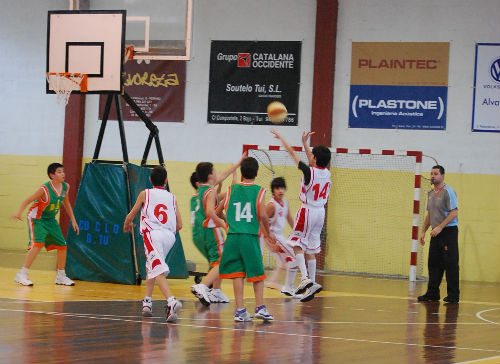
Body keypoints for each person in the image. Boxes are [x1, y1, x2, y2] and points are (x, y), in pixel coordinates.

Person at [271, 128, 332, 303]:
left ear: (315, 159)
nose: (310, 156)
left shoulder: (309, 172)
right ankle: (311, 284)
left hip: (308, 210)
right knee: (311, 249)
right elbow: (312, 162)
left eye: (312, 155)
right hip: (321, 212)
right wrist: (306, 144)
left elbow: (292, 153)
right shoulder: (326, 173)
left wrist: (282, 138)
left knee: (296, 245)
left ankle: (304, 278)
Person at [217, 156, 277, 321]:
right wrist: (268, 232)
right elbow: (263, 214)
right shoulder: (259, 190)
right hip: (249, 237)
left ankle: (240, 310)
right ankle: (260, 307)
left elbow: (216, 212)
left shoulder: (230, 190)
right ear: (256, 173)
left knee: (238, 273)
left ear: (242, 172)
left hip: (232, 238)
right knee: (258, 273)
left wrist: (227, 221)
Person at [123, 166, 183, 322]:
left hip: (153, 234)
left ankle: (171, 301)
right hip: (169, 236)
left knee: (157, 269)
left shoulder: (145, 193)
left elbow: (132, 213)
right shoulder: (172, 197)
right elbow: (180, 225)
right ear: (166, 181)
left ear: (150, 180)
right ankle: (147, 302)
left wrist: (127, 224)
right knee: (151, 265)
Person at [11, 163, 79, 286]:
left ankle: (61, 276)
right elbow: (28, 200)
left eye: (63, 171)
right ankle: (22, 274)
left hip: (50, 219)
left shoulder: (65, 187)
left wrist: (73, 220)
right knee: (38, 243)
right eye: (59, 172)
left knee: (62, 246)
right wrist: (18, 213)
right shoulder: (44, 189)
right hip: (37, 218)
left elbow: (66, 203)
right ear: (52, 175)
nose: (63, 174)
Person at [190, 154, 245, 305]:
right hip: (211, 230)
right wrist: (223, 224)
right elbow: (210, 212)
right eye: (214, 172)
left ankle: (216, 292)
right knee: (222, 260)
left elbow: (224, 174)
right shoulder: (210, 192)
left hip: (201, 232)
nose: (217, 174)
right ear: (209, 176)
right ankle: (202, 287)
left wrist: (238, 162)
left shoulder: (203, 189)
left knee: (216, 262)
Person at [417, 165, 460, 304]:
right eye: (431, 173)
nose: (433, 176)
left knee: (450, 264)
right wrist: (423, 231)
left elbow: (454, 212)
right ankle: (432, 293)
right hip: (435, 232)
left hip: (448, 232)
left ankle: (453, 296)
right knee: (433, 263)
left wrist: (441, 227)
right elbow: (430, 214)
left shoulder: (448, 192)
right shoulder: (430, 193)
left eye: (436, 173)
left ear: (442, 176)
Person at [261, 177, 300, 297]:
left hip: (279, 236)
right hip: (272, 236)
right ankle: (289, 287)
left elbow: (289, 218)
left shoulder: (285, 202)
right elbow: (262, 222)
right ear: (273, 190)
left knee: (283, 263)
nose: (280, 190)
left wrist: (297, 232)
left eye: (282, 188)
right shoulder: (271, 205)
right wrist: (269, 239)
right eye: (277, 188)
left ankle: (272, 282)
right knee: (295, 257)